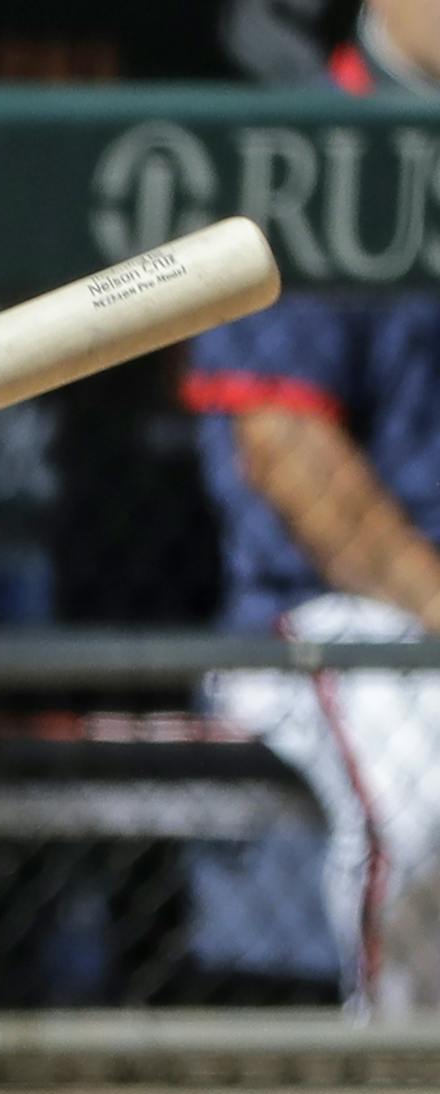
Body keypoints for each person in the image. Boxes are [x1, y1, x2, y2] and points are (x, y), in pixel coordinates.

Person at [183, 0, 440, 1016]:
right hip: (331, 621)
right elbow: (286, 451)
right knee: (428, 809)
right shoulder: (303, 156)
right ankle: (403, 1086)